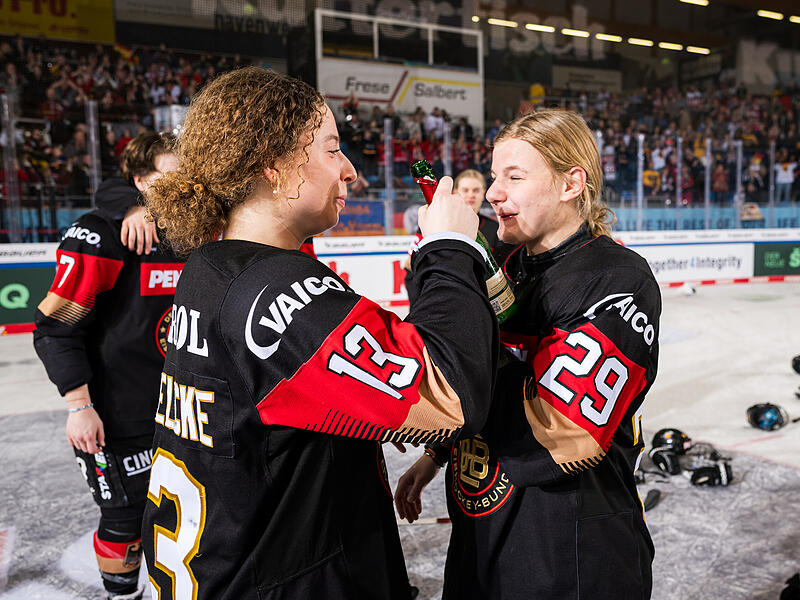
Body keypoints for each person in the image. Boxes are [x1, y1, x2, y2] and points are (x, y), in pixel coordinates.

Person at [140, 67, 498, 600]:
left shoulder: (210, 268)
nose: (350, 170)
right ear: (275, 167)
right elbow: (449, 395)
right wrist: (447, 248)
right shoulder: (274, 288)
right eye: (332, 150)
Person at [396, 109, 661, 599]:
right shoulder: (506, 264)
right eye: (495, 176)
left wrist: (449, 401)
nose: (494, 193)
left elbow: (565, 429)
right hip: (483, 535)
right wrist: (441, 451)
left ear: (570, 183)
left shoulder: (618, 277)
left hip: (571, 552)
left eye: (514, 177)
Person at [33, 132, 182, 600]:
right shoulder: (101, 235)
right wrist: (79, 404)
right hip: (116, 416)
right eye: (172, 177)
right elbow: (56, 327)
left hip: (184, 410)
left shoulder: (197, 231)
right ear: (140, 180)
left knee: (185, 512)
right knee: (124, 516)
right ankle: (123, 595)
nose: (187, 187)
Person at [404, 168, 510, 304]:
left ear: (484, 193)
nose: (471, 195)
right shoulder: (436, 222)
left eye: (476, 190)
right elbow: (410, 264)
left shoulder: (495, 228)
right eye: (465, 190)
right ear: (455, 193)